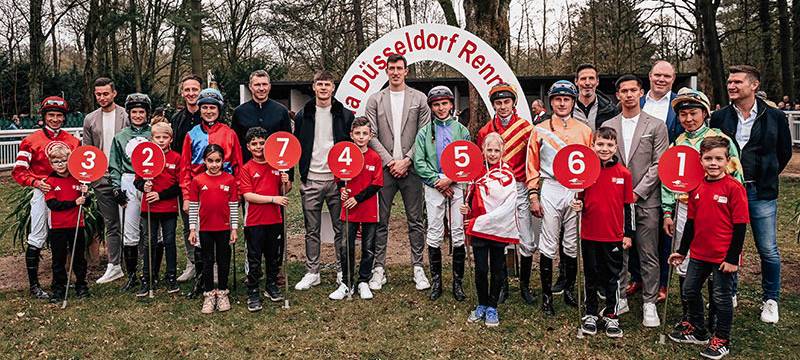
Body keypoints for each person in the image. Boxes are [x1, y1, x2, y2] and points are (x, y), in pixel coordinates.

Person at [710, 65, 792, 324]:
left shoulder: (775, 117)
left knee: (767, 249)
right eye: (729, 82)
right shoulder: (720, 117)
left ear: (754, 85)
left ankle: (770, 299)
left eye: (737, 82)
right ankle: (729, 292)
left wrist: (767, 172)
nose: (731, 86)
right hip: (728, 190)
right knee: (727, 244)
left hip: (760, 191)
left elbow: (784, 152)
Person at [661, 88, 743, 325]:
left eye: (693, 113)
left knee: (715, 263)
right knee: (685, 260)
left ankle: (716, 318)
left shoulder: (721, 139)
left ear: (705, 113)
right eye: (683, 114)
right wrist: (667, 211)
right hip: (686, 209)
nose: (688, 119)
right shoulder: (678, 142)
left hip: (718, 211)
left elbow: (735, 176)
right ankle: (690, 317)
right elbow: (668, 181)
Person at [668, 136, 749, 360]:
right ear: (700, 160)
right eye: (708, 158)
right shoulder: (695, 187)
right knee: (689, 290)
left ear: (727, 161)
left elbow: (741, 225)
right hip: (698, 254)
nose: (713, 163)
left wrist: (733, 259)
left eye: (718, 159)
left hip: (723, 257)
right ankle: (699, 330)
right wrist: (682, 251)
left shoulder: (734, 188)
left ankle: (721, 339)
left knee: (721, 297)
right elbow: (691, 223)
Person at [602, 75, 669, 327]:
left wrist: (637, 191)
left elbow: (659, 163)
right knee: (619, 250)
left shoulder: (656, 125)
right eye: (623, 91)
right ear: (617, 95)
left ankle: (649, 302)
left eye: (633, 90)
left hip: (646, 199)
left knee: (648, 252)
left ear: (641, 92)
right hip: (616, 201)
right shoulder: (609, 124)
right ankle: (619, 296)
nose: (629, 95)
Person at [526, 80, 593, 315]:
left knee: (571, 243)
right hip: (552, 187)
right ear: (551, 102)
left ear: (573, 102)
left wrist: (586, 194)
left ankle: (568, 290)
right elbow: (531, 166)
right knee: (548, 241)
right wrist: (533, 195)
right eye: (557, 99)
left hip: (575, 189)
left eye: (566, 99)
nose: (562, 103)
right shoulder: (539, 129)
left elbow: (591, 165)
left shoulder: (585, 131)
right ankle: (546, 297)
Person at [366, 53, 430, 291]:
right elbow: (370, 134)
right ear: (386, 71)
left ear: (406, 71)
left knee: (415, 220)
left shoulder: (419, 98)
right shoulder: (375, 99)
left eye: (399, 68)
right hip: (384, 169)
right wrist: (391, 161)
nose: (395, 72)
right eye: (391, 68)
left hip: (412, 169)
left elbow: (423, 134)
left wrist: (406, 161)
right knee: (380, 220)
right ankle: (379, 268)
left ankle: (418, 267)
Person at [12, 96, 80, 299]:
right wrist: (35, 182)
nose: (55, 119)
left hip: (67, 194)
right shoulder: (31, 141)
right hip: (43, 192)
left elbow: (78, 169)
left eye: (59, 115)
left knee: (65, 236)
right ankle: (34, 285)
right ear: (44, 116)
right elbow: (19, 171)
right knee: (38, 235)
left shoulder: (73, 141)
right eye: (51, 115)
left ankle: (68, 282)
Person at [293, 70, 353, 290]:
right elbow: (299, 145)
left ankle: (341, 270)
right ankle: (312, 271)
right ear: (314, 87)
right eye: (320, 84)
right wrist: (302, 174)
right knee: (312, 229)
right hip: (312, 179)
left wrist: (346, 179)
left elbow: (350, 147)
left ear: (333, 87)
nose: (324, 88)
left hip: (337, 180)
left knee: (341, 228)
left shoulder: (345, 115)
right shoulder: (303, 115)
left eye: (327, 84)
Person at [570, 127, 633, 338]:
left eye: (609, 145)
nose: (604, 149)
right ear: (593, 146)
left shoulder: (624, 174)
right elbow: (580, 199)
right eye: (600, 144)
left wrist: (628, 234)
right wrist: (578, 205)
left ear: (615, 147)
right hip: (589, 234)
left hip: (613, 235)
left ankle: (611, 314)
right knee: (591, 275)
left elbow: (629, 206)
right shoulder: (586, 172)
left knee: (612, 277)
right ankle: (590, 313)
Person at [180, 88, 243, 298]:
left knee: (223, 236)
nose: (208, 111)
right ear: (199, 109)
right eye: (205, 107)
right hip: (200, 190)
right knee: (200, 236)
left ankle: (222, 280)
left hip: (224, 190)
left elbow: (237, 165)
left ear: (219, 110)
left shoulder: (229, 133)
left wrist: (239, 193)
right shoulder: (191, 135)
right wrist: (187, 196)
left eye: (212, 107)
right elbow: (185, 167)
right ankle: (202, 279)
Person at [476, 83, 535, 305]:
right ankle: (502, 286)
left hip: (518, 187)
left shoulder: (525, 128)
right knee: (501, 238)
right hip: (494, 191)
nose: (502, 107)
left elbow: (531, 161)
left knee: (526, 239)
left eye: (506, 102)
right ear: (493, 105)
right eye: (498, 103)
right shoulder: (484, 131)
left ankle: (525, 287)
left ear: (513, 103)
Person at [413, 86, 471, 301]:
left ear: (451, 105)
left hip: (456, 185)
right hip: (434, 184)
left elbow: (468, 159)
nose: (441, 108)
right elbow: (419, 162)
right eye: (436, 104)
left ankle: (458, 282)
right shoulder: (424, 132)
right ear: (431, 107)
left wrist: (451, 179)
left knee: (457, 230)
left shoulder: (462, 131)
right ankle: (436, 281)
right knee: (435, 230)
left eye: (444, 103)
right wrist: (438, 181)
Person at [463, 132, 520, 327]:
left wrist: (495, 218)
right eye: (489, 150)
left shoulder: (508, 172)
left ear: (503, 151)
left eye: (497, 150)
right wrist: (467, 208)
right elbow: (470, 197)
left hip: (499, 228)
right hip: (479, 226)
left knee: (497, 267)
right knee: (480, 268)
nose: (493, 154)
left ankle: (493, 306)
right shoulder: (476, 171)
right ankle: (481, 303)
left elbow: (511, 200)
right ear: (483, 150)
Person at [640, 60, 681, 304]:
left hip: (667, 178)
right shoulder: (639, 102)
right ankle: (638, 277)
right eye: (657, 75)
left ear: (673, 79)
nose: (661, 79)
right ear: (650, 76)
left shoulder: (678, 106)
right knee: (637, 230)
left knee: (665, 232)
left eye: (667, 76)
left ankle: (663, 282)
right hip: (639, 178)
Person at [330, 117, 383, 300]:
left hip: (368, 208)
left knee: (368, 247)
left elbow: (376, 184)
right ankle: (346, 282)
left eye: (365, 134)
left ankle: (363, 281)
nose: (361, 137)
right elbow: (339, 177)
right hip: (348, 210)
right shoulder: (346, 153)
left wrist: (357, 198)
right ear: (351, 135)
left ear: (371, 135)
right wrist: (342, 190)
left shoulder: (375, 157)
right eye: (357, 133)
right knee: (346, 247)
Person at [82, 77, 129, 284]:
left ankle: (133, 262)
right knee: (111, 223)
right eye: (98, 94)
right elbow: (87, 151)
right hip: (101, 178)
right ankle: (114, 265)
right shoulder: (90, 119)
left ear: (114, 93)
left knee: (129, 222)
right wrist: (91, 178)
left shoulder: (126, 116)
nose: (102, 97)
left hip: (125, 176)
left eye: (105, 94)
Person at [239, 127, 291, 312]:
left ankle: (271, 286)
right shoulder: (246, 168)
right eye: (254, 143)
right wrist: (272, 199)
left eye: (262, 143)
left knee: (273, 257)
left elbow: (286, 190)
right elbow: (248, 196)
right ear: (248, 146)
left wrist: (286, 180)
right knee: (254, 259)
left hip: (274, 220)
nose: (259, 146)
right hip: (254, 222)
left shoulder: (276, 165)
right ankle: (253, 291)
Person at [187, 144, 239, 314]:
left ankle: (223, 292)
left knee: (223, 260)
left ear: (223, 161)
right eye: (210, 161)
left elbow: (233, 206)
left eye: (218, 161)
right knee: (208, 261)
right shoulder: (198, 181)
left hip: (224, 229)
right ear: (204, 161)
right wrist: (193, 229)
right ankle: (209, 294)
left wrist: (234, 228)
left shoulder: (229, 180)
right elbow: (194, 206)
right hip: (205, 230)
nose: (214, 164)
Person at [108, 93, 152, 292]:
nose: (138, 115)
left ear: (147, 113)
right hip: (128, 179)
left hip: (150, 180)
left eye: (141, 112)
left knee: (152, 228)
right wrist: (116, 188)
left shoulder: (154, 134)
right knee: (130, 229)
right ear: (129, 113)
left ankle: (151, 272)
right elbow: (114, 165)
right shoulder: (120, 137)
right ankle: (132, 274)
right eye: (134, 112)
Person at [133, 122, 182, 296]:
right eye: (157, 137)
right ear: (151, 138)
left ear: (170, 139)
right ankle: (147, 277)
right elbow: (136, 180)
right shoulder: (145, 156)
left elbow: (179, 185)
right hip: (149, 208)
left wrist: (160, 195)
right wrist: (143, 186)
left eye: (165, 137)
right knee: (149, 242)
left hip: (168, 207)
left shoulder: (176, 158)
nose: (161, 141)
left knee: (169, 242)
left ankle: (171, 276)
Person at [44, 143, 91, 303]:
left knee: (79, 257)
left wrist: (86, 194)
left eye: (64, 161)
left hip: (77, 225)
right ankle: (58, 288)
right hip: (58, 227)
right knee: (59, 258)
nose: (60, 165)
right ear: (51, 164)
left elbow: (86, 202)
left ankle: (81, 285)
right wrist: (74, 202)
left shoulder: (77, 179)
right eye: (57, 162)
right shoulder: (49, 181)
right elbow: (53, 205)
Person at [170, 73, 203, 283]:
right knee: (188, 223)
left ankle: (211, 263)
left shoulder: (209, 114)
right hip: (186, 181)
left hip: (209, 179)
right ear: (183, 93)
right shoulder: (177, 119)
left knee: (210, 223)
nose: (191, 94)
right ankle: (192, 262)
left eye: (195, 90)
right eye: (187, 90)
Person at [232, 69, 292, 162]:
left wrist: (288, 174)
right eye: (257, 85)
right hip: (248, 168)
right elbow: (235, 145)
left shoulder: (281, 111)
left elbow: (288, 144)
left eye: (264, 84)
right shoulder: (239, 112)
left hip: (274, 166)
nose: (261, 88)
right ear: (250, 87)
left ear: (269, 86)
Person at [573, 63, 619, 130]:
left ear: (597, 81)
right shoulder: (567, 109)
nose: (587, 83)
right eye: (583, 79)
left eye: (591, 78)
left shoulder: (610, 110)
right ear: (576, 81)